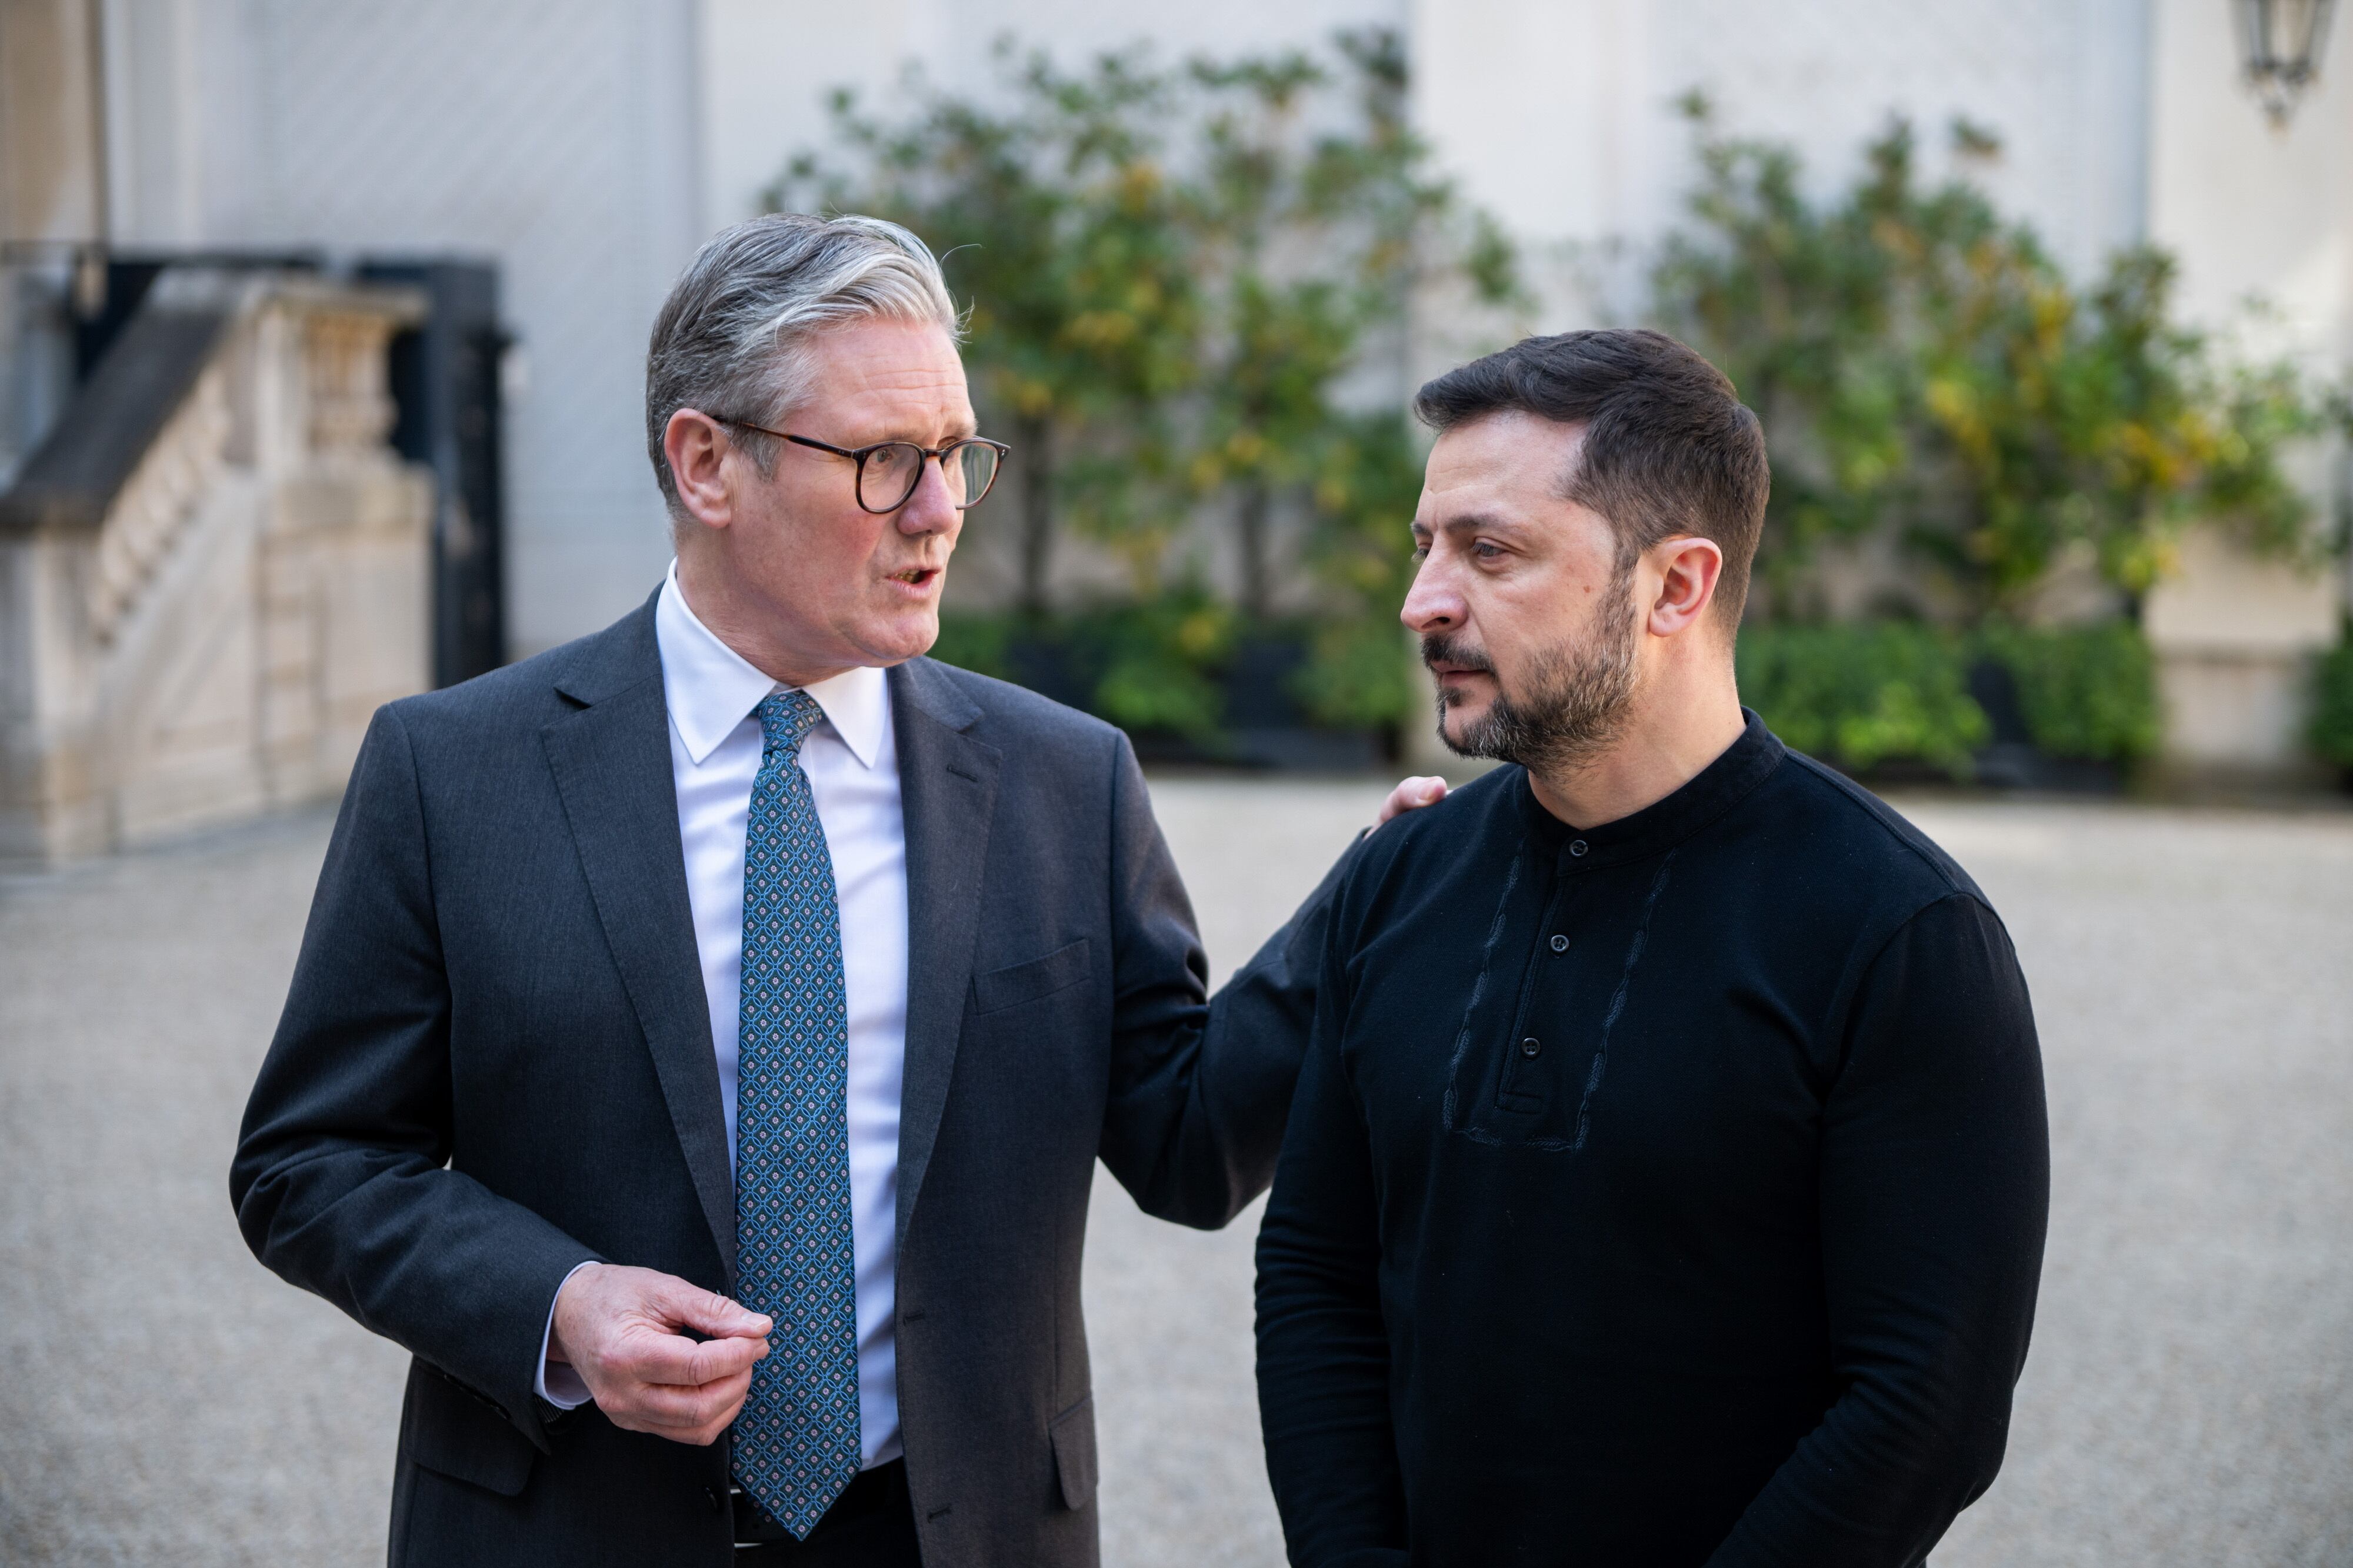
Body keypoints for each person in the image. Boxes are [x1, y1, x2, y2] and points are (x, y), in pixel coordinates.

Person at [232, 213, 1437, 1568]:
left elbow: (1186, 1144)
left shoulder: (1064, 780)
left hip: (959, 1532)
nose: (939, 510)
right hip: (569, 1525)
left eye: (954, 453)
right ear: (706, 463)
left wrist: (1362, 918)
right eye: (882, 460)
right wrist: (557, 1303)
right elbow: (312, 1162)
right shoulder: (455, 771)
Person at [1254, 328, 2051, 1567]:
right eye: (1425, 546)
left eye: (1490, 551)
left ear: (1675, 586)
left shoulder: (1901, 936)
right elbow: (1315, 1269)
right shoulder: (1398, 877)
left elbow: (1925, 1403)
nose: (1423, 602)